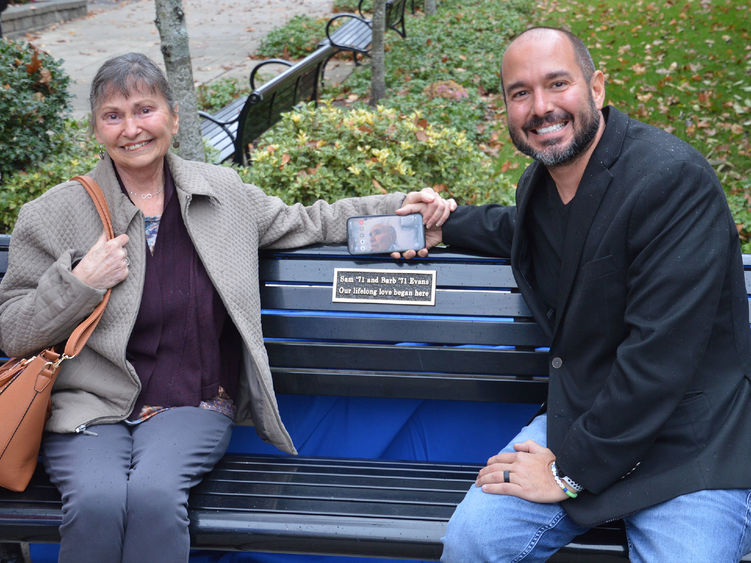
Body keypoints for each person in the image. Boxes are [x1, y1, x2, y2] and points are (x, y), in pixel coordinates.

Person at [0, 52, 454, 563]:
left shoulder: (223, 196)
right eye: (113, 115)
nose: (132, 129)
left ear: (172, 116)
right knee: (97, 501)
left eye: (144, 110)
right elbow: (13, 333)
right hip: (89, 408)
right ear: (95, 129)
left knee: (152, 496)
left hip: (191, 403)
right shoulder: (52, 214)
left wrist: (404, 209)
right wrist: (79, 284)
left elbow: (311, 221)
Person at [428, 27, 751, 562]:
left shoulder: (671, 181)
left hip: (688, 444)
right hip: (582, 415)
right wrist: (447, 224)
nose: (541, 107)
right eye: (521, 93)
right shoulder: (546, 180)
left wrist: (565, 472)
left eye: (558, 84)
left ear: (597, 88)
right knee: (473, 542)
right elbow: (531, 231)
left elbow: (659, 361)